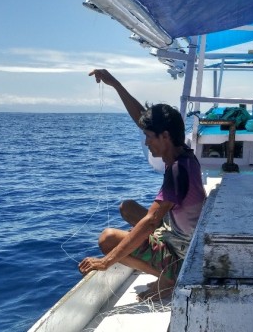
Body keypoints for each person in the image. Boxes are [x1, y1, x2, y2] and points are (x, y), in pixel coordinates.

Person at [78, 69, 206, 301]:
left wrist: (106, 261)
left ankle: (170, 278)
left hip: (185, 256)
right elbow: (141, 117)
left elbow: (151, 221)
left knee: (107, 239)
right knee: (127, 207)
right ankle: (163, 268)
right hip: (179, 236)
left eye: (149, 136)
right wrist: (115, 84)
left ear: (164, 136)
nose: (146, 142)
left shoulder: (177, 171)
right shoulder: (183, 154)